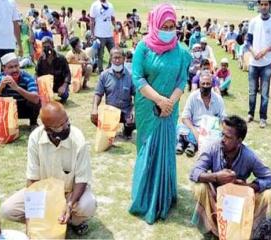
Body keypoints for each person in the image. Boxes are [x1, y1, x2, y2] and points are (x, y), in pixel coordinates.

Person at [129, 4, 192, 224]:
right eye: (164, 25)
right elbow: (138, 78)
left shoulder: (182, 51)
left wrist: (170, 103)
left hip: (169, 110)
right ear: (155, 24)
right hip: (148, 107)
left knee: (165, 150)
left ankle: (163, 195)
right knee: (147, 148)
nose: (168, 29)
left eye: (171, 25)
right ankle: (144, 198)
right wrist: (158, 100)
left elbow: (182, 80)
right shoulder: (143, 48)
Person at [0, 102, 97, 236]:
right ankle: (50, 220)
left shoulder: (78, 138)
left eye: (67, 121)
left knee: (88, 205)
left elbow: (82, 180)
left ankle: (73, 222)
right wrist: (32, 215)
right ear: (47, 129)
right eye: (60, 126)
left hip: (70, 192)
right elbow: (32, 179)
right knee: (7, 210)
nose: (66, 127)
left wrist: (68, 205)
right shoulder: (35, 138)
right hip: (43, 194)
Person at [190, 115, 271, 237]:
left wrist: (249, 186)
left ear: (239, 141)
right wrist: (216, 177)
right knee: (199, 187)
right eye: (222, 134)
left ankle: (253, 233)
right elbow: (194, 173)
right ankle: (212, 230)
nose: (223, 139)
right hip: (215, 199)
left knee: (268, 195)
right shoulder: (213, 147)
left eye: (228, 137)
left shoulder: (249, 156)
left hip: (239, 203)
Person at [246, 0, 271, 128]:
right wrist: (253, 52)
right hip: (253, 62)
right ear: (258, 6)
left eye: (266, 5)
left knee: (265, 93)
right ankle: (250, 114)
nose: (264, 7)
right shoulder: (253, 21)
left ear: (270, 6)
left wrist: (265, 51)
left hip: (267, 63)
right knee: (252, 91)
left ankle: (263, 117)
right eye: (262, 4)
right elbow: (248, 41)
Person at [177, 70, 226, 157]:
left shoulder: (218, 99)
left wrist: (225, 129)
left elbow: (223, 118)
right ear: (199, 84)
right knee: (179, 128)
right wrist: (194, 131)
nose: (205, 86)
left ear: (212, 84)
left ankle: (189, 143)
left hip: (210, 132)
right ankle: (191, 143)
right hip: (194, 128)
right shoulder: (193, 96)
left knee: (220, 137)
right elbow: (184, 118)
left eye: (208, 84)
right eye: (203, 83)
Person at [91, 47, 135, 139]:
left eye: (119, 57)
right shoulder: (104, 75)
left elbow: (137, 96)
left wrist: (133, 111)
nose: (117, 60)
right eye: (115, 58)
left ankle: (127, 131)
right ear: (111, 59)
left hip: (126, 111)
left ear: (124, 59)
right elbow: (98, 94)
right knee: (94, 117)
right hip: (110, 111)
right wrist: (94, 108)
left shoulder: (131, 75)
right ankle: (108, 129)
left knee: (136, 119)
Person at [0, 52, 40, 130]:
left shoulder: (26, 77)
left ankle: (33, 123)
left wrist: (17, 88)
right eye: (11, 67)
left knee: (35, 100)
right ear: (4, 68)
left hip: (24, 110)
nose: (15, 70)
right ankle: (5, 124)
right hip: (8, 112)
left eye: (16, 66)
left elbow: (36, 99)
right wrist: (0, 87)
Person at [0, 0, 23, 82]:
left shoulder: (12, 2)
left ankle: (6, 94)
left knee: (8, 74)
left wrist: (20, 45)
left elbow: (16, 24)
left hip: (9, 45)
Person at [35, 36, 71, 103]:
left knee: (64, 95)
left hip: (59, 84)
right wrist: (36, 84)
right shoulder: (41, 59)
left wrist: (64, 86)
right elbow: (37, 73)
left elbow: (67, 74)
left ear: (52, 46)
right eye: (44, 47)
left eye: (48, 46)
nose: (46, 49)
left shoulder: (61, 58)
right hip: (46, 85)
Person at [90, 0, 116, 73]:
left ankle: (109, 68)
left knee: (113, 52)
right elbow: (91, 21)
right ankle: (100, 70)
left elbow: (113, 18)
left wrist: (116, 26)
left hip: (109, 34)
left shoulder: (110, 5)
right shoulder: (95, 5)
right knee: (100, 54)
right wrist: (92, 34)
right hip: (99, 34)